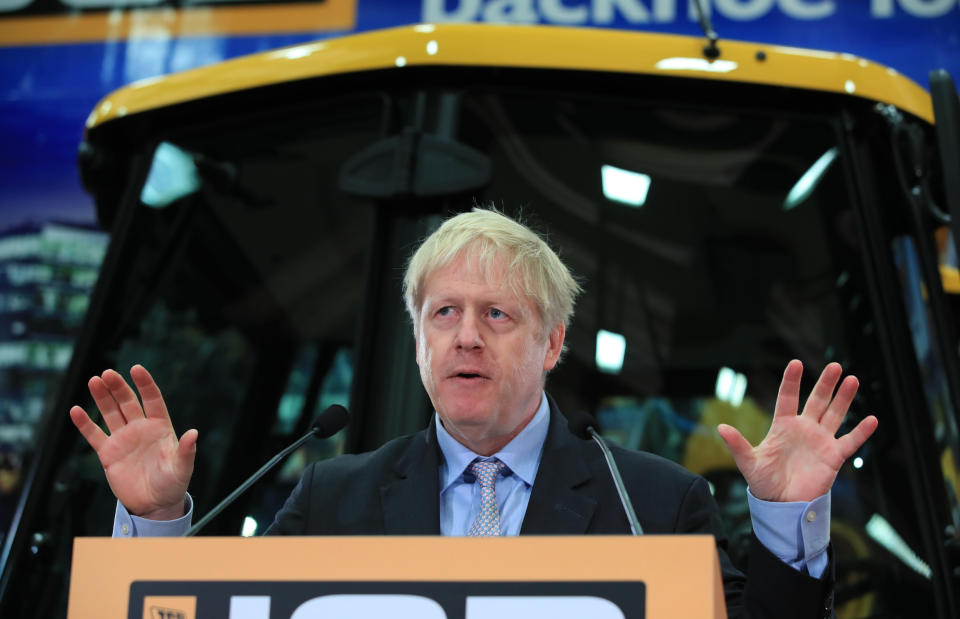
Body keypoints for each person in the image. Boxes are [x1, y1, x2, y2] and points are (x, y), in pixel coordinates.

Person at [70, 208, 878, 617]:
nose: (466, 338)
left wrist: (785, 517)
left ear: (554, 341)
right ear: (418, 338)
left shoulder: (654, 503)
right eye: (443, 314)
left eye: (498, 315)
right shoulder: (331, 498)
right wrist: (156, 525)